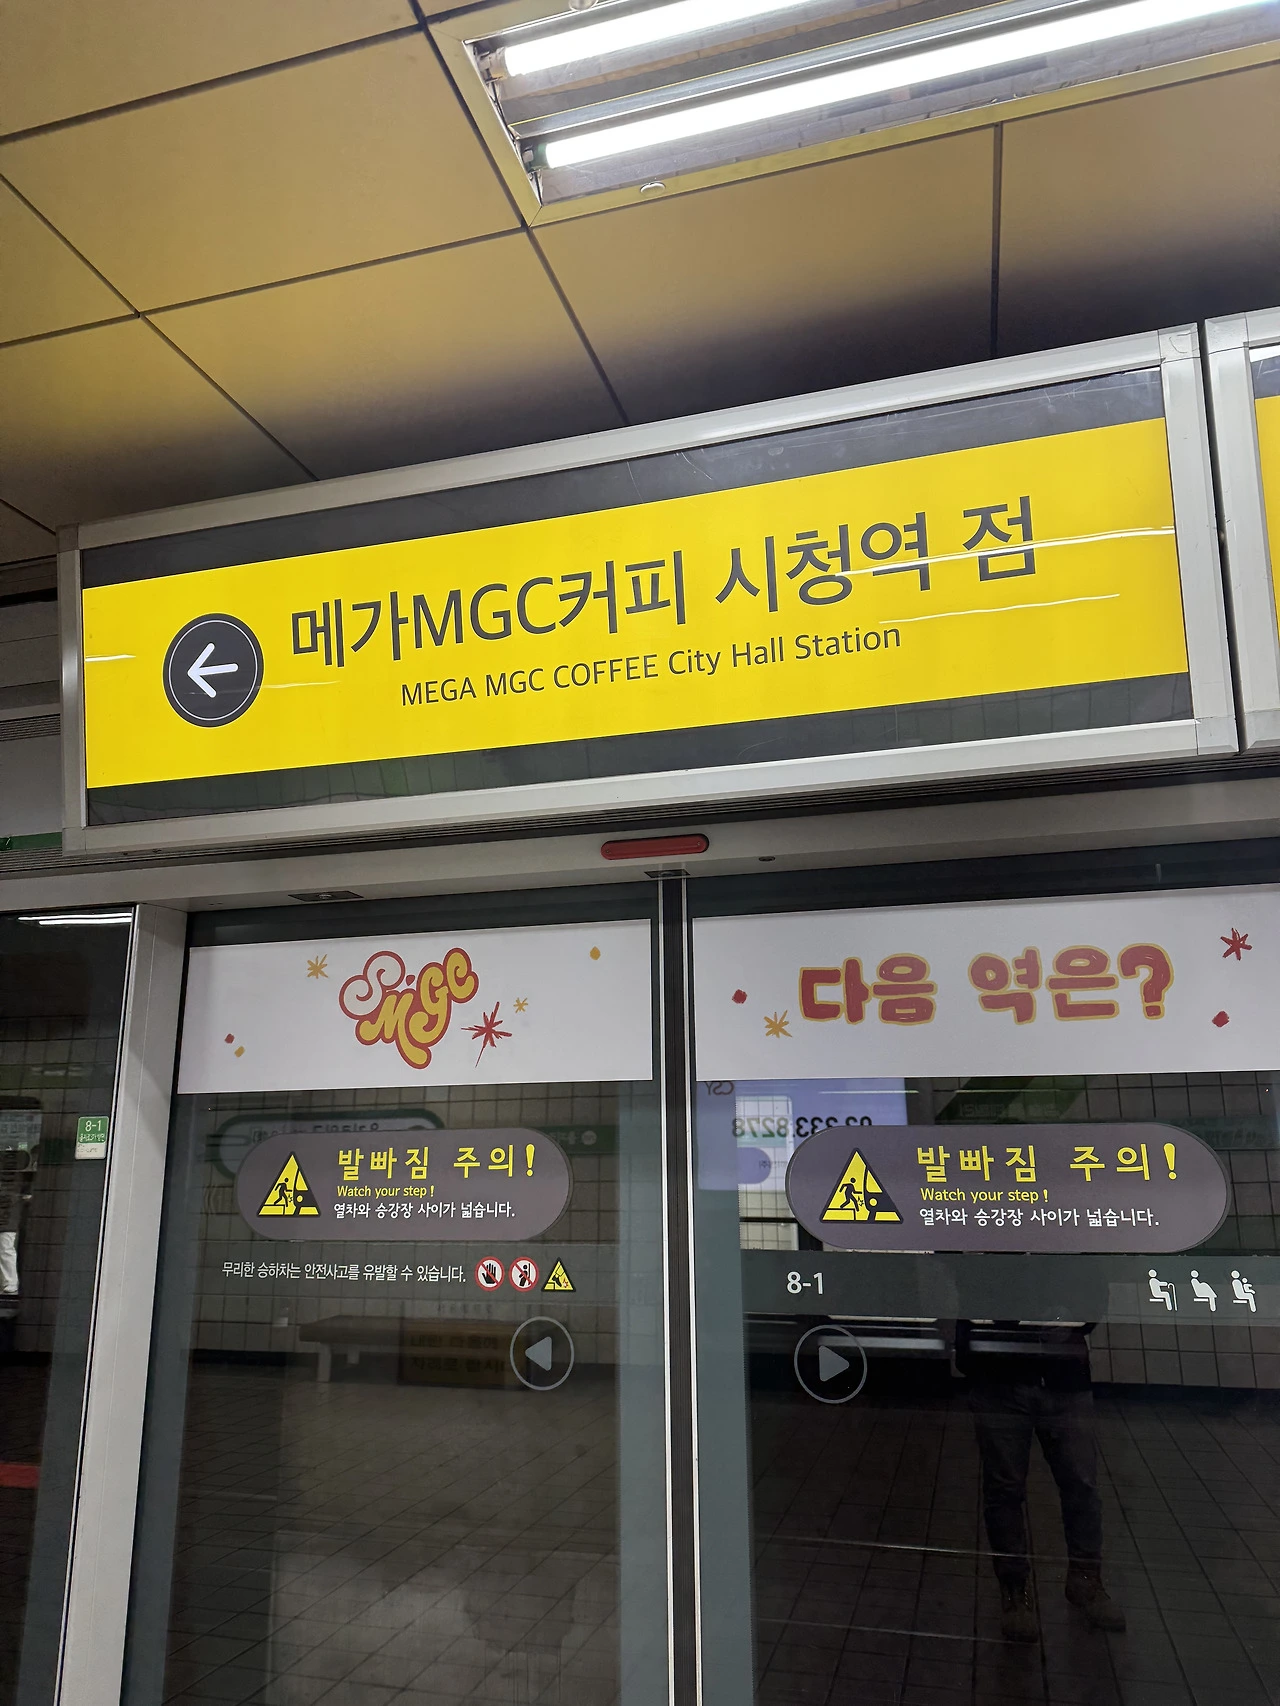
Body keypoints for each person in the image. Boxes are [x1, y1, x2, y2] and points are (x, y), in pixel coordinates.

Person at [956, 1319, 1125, 1641]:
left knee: (1078, 1484)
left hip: (1052, 1375)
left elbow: (1092, 1303)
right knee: (1009, 1488)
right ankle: (1018, 1588)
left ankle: (1077, 1580)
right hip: (1009, 1373)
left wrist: (1066, 1318)